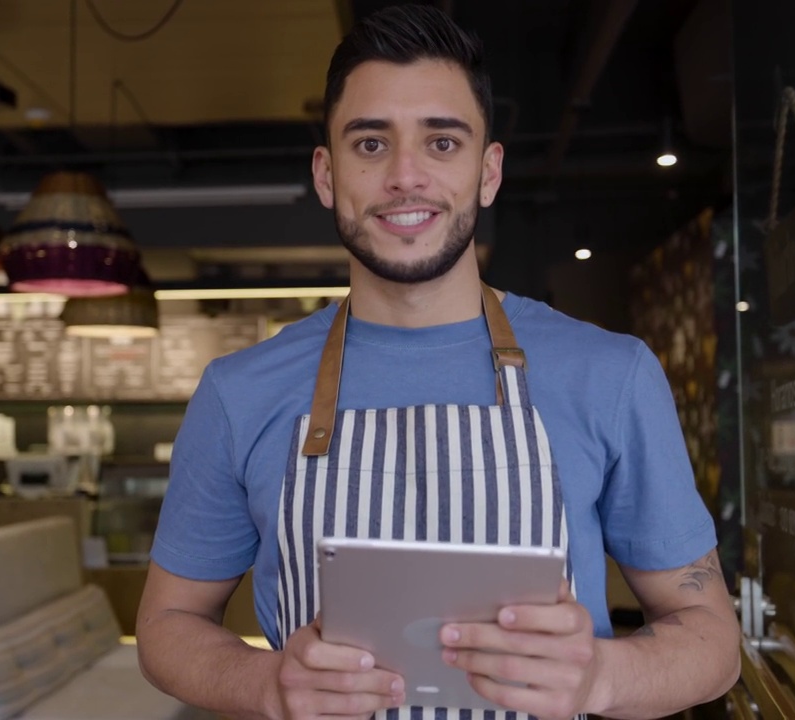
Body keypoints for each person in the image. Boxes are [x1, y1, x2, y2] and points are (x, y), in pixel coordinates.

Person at [137, 4, 741, 719]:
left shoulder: (611, 375)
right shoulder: (239, 393)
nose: (405, 176)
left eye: (442, 143)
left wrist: (600, 677)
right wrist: (266, 685)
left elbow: (713, 641)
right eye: (370, 144)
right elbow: (166, 626)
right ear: (327, 175)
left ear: (489, 173)